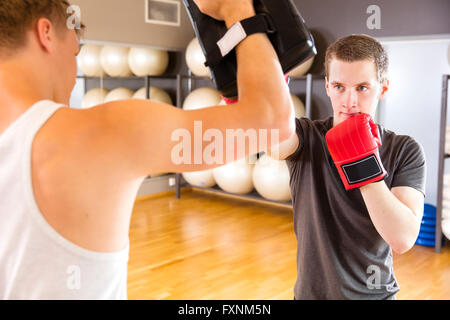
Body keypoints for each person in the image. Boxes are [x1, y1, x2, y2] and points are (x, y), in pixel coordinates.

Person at [0, 0, 294, 299]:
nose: (74, 70)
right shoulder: (105, 132)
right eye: (75, 52)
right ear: (45, 33)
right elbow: (271, 123)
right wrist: (236, 11)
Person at [270, 34, 426, 299]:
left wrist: (362, 162)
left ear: (383, 88)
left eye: (362, 87)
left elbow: (402, 239)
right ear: (328, 87)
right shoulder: (307, 138)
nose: (349, 101)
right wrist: (269, 87)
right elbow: (275, 144)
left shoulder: (405, 150)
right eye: (340, 87)